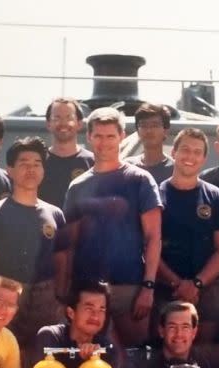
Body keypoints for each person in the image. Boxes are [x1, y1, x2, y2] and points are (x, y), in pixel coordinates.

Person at [61, 107, 162, 346]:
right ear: (89, 137)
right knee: (90, 360)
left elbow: (153, 237)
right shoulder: (77, 186)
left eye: (110, 136)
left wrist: (148, 287)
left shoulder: (140, 180)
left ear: (122, 136)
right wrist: (66, 290)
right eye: (98, 136)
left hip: (130, 288)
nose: (103, 142)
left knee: (134, 356)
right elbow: (69, 245)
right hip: (88, 291)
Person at [0, 137, 68, 362]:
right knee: (4, 358)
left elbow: (63, 261)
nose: (31, 169)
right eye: (24, 163)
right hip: (7, 296)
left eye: (37, 163)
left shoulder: (55, 214)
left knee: (44, 360)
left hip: (47, 297)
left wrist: (61, 299)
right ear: (10, 170)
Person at [156, 128, 219, 342]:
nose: (190, 157)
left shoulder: (217, 198)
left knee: (207, 352)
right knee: (167, 347)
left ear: (203, 159)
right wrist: (178, 284)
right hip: (165, 289)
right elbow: (148, 245)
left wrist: (197, 284)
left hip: (208, 291)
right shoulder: (154, 196)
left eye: (197, 152)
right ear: (173, 153)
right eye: (185, 150)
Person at [33, 279, 115, 368]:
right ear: (71, 313)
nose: (96, 316)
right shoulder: (50, 336)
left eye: (102, 310)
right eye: (89, 308)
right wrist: (81, 360)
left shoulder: (105, 346)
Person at [41, 97, 94, 207]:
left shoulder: (93, 162)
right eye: (57, 118)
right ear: (48, 124)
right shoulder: (38, 162)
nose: (63, 123)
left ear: (79, 124)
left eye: (69, 118)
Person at [124, 103, 175, 184]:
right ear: (137, 131)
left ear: (165, 131)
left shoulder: (176, 170)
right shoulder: (126, 167)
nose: (149, 130)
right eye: (143, 125)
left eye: (155, 125)